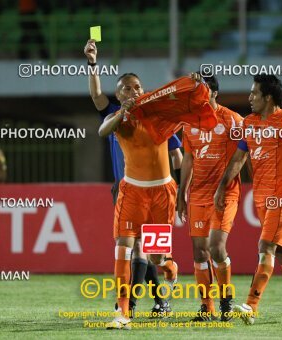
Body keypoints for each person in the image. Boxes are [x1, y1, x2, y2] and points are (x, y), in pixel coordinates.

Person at [84, 39, 181, 326]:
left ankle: (168, 270)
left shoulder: (159, 117)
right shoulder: (116, 115)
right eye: (126, 87)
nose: (132, 91)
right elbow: (100, 115)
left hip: (161, 191)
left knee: (153, 256)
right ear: (118, 94)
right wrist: (92, 63)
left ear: (144, 90)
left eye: (137, 87)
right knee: (124, 246)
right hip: (127, 188)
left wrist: (181, 188)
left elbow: (177, 153)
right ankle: (124, 310)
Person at [215, 74, 282, 324]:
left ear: (268, 97)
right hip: (262, 199)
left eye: (254, 93)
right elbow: (239, 158)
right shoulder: (249, 123)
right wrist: (222, 186)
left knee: (265, 248)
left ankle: (250, 306)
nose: (250, 98)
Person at [177, 72, 244, 322]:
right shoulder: (189, 123)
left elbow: (241, 157)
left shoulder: (233, 120)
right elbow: (189, 158)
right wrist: (182, 192)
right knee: (198, 253)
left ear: (214, 93)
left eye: (201, 91)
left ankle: (226, 299)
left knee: (216, 248)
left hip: (225, 193)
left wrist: (222, 186)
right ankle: (207, 308)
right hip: (197, 195)